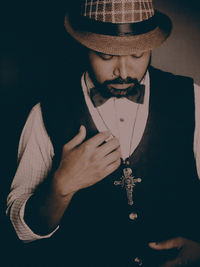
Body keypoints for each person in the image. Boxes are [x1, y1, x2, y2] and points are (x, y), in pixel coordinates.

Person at [6, 0, 200, 266]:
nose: (123, 72)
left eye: (137, 54)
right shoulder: (45, 112)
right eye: (106, 55)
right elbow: (20, 231)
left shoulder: (191, 98)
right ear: (84, 46)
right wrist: (61, 186)